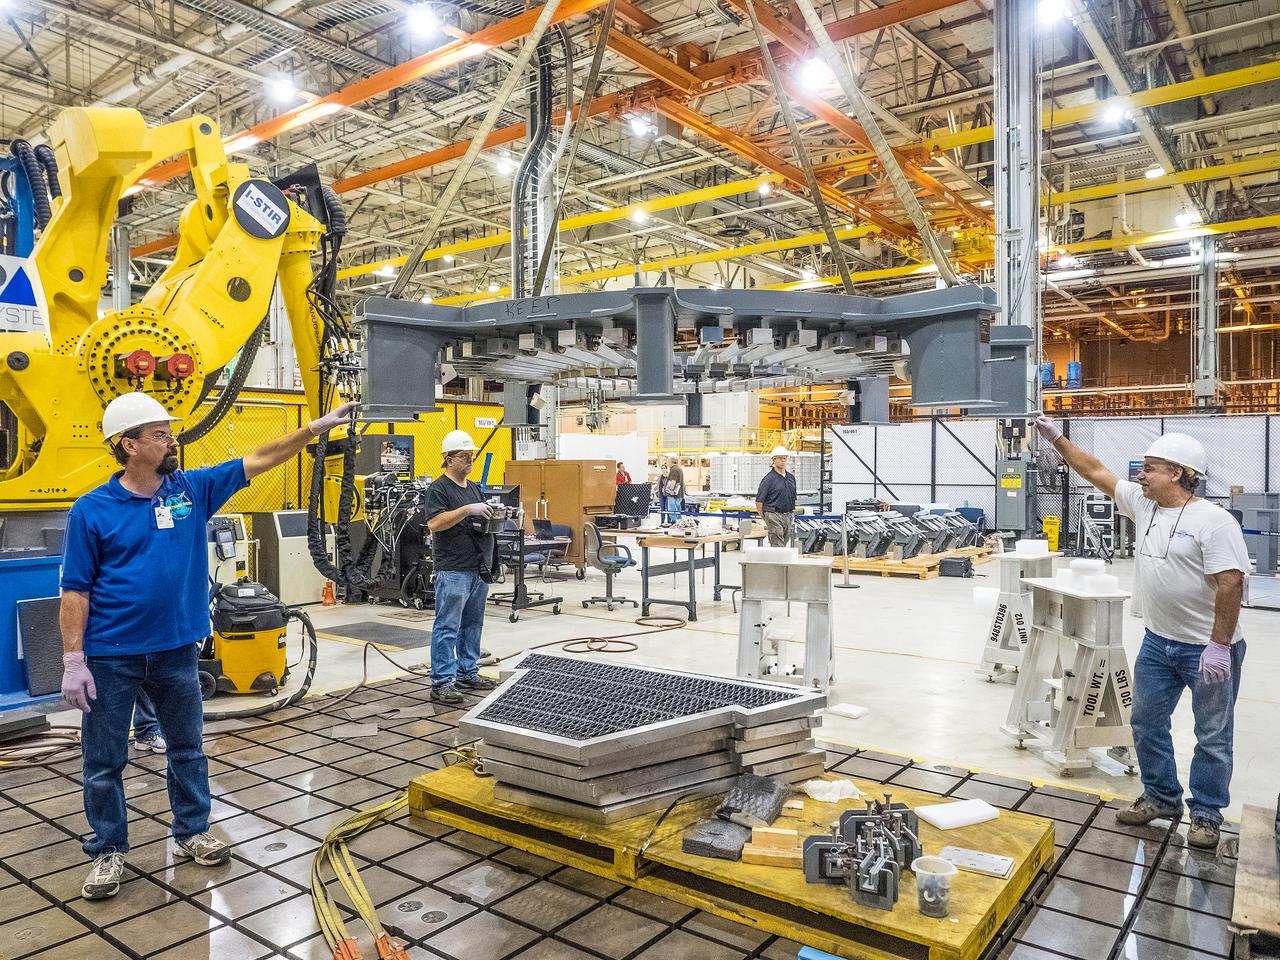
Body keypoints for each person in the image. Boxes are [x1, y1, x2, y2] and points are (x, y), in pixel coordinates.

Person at [59, 391, 356, 900]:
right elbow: (75, 591)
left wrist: (315, 428)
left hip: (178, 650)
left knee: (187, 749)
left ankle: (192, 830)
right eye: (158, 434)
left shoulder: (189, 490)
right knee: (103, 760)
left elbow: (260, 458)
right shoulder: (91, 510)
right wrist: (72, 659)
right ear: (128, 445)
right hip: (111, 655)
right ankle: (109, 848)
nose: (171, 439)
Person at [1031, 415, 1248, 849]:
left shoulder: (1213, 521)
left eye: (1150, 468)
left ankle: (1206, 814)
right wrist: (1057, 438)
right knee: (1146, 722)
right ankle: (1162, 797)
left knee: (1212, 735)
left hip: (1206, 649)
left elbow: (1232, 581)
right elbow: (1094, 470)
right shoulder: (1143, 506)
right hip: (1157, 642)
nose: (1140, 475)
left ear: (1179, 474)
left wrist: (1219, 646)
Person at [425, 430, 501, 706]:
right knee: (447, 626)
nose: (470, 459)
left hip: (477, 567)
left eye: (472, 455)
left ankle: (468, 672)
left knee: (472, 624)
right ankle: (442, 682)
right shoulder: (439, 489)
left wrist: (504, 517)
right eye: (464, 456)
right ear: (448, 459)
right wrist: (468, 509)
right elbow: (435, 523)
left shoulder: (473, 488)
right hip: (453, 569)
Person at [756, 446, 797, 547]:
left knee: (784, 542)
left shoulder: (791, 478)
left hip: (788, 515)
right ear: (773, 460)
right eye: (780, 458)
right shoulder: (768, 479)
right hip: (773, 514)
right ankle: (778, 562)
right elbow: (759, 502)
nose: (783, 460)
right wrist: (766, 517)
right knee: (777, 544)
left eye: (785, 458)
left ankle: (780, 561)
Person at [661, 456, 684, 524]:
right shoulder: (679, 469)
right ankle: (679, 520)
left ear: (671, 462)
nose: (666, 463)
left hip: (673, 494)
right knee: (677, 506)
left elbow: (673, 481)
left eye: (667, 462)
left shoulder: (673, 469)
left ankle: (674, 521)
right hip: (679, 493)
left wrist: (669, 490)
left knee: (672, 507)